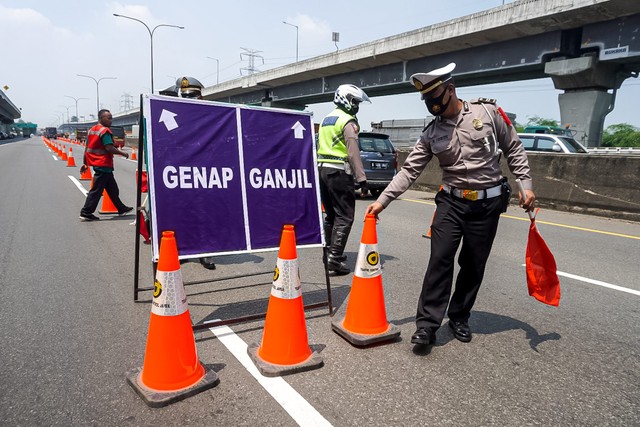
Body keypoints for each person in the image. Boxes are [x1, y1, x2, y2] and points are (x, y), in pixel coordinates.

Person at [365, 63, 536, 347]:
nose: (431, 104)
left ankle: (459, 317)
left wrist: (525, 185)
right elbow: (409, 171)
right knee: (439, 261)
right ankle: (427, 325)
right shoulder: (432, 133)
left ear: (451, 89)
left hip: (487, 204)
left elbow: (513, 147)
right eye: (427, 100)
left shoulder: (488, 113)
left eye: (435, 97)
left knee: (473, 265)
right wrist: (382, 201)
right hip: (451, 203)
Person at [317, 84, 371, 275]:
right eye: (355, 102)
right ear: (345, 99)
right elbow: (353, 151)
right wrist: (362, 179)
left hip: (322, 170)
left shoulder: (326, 119)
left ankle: (330, 254)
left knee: (331, 214)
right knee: (345, 216)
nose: (356, 106)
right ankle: (334, 258)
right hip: (340, 172)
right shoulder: (348, 121)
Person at [176, 76, 218, 270]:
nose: (188, 99)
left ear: (200, 97)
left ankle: (205, 252)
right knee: (183, 212)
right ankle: (183, 250)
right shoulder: (175, 116)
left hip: (204, 172)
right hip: (180, 172)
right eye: (185, 96)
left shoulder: (210, 116)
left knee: (204, 213)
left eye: (192, 96)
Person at [79, 109, 133, 221]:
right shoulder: (104, 131)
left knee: (113, 189)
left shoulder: (92, 130)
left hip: (101, 165)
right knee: (96, 191)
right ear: (101, 118)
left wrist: (85, 163)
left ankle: (121, 208)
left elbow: (87, 148)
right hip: (102, 164)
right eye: (108, 118)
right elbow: (109, 147)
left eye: (111, 117)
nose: (111, 120)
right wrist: (122, 153)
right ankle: (86, 212)